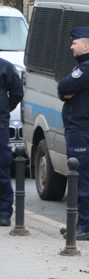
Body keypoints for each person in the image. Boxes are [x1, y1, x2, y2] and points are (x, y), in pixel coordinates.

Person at [57, 26, 89, 241]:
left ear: (86, 46)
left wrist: (68, 91)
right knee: (76, 177)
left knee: (83, 178)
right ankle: (79, 224)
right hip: (78, 128)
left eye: (74, 43)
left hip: (81, 129)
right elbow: (63, 91)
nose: (71, 47)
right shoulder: (85, 67)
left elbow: (64, 85)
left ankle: (88, 227)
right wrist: (66, 92)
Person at [0, 56, 24, 227]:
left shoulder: (5, 67)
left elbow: (17, 93)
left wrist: (4, 109)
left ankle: (4, 212)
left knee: (2, 169)